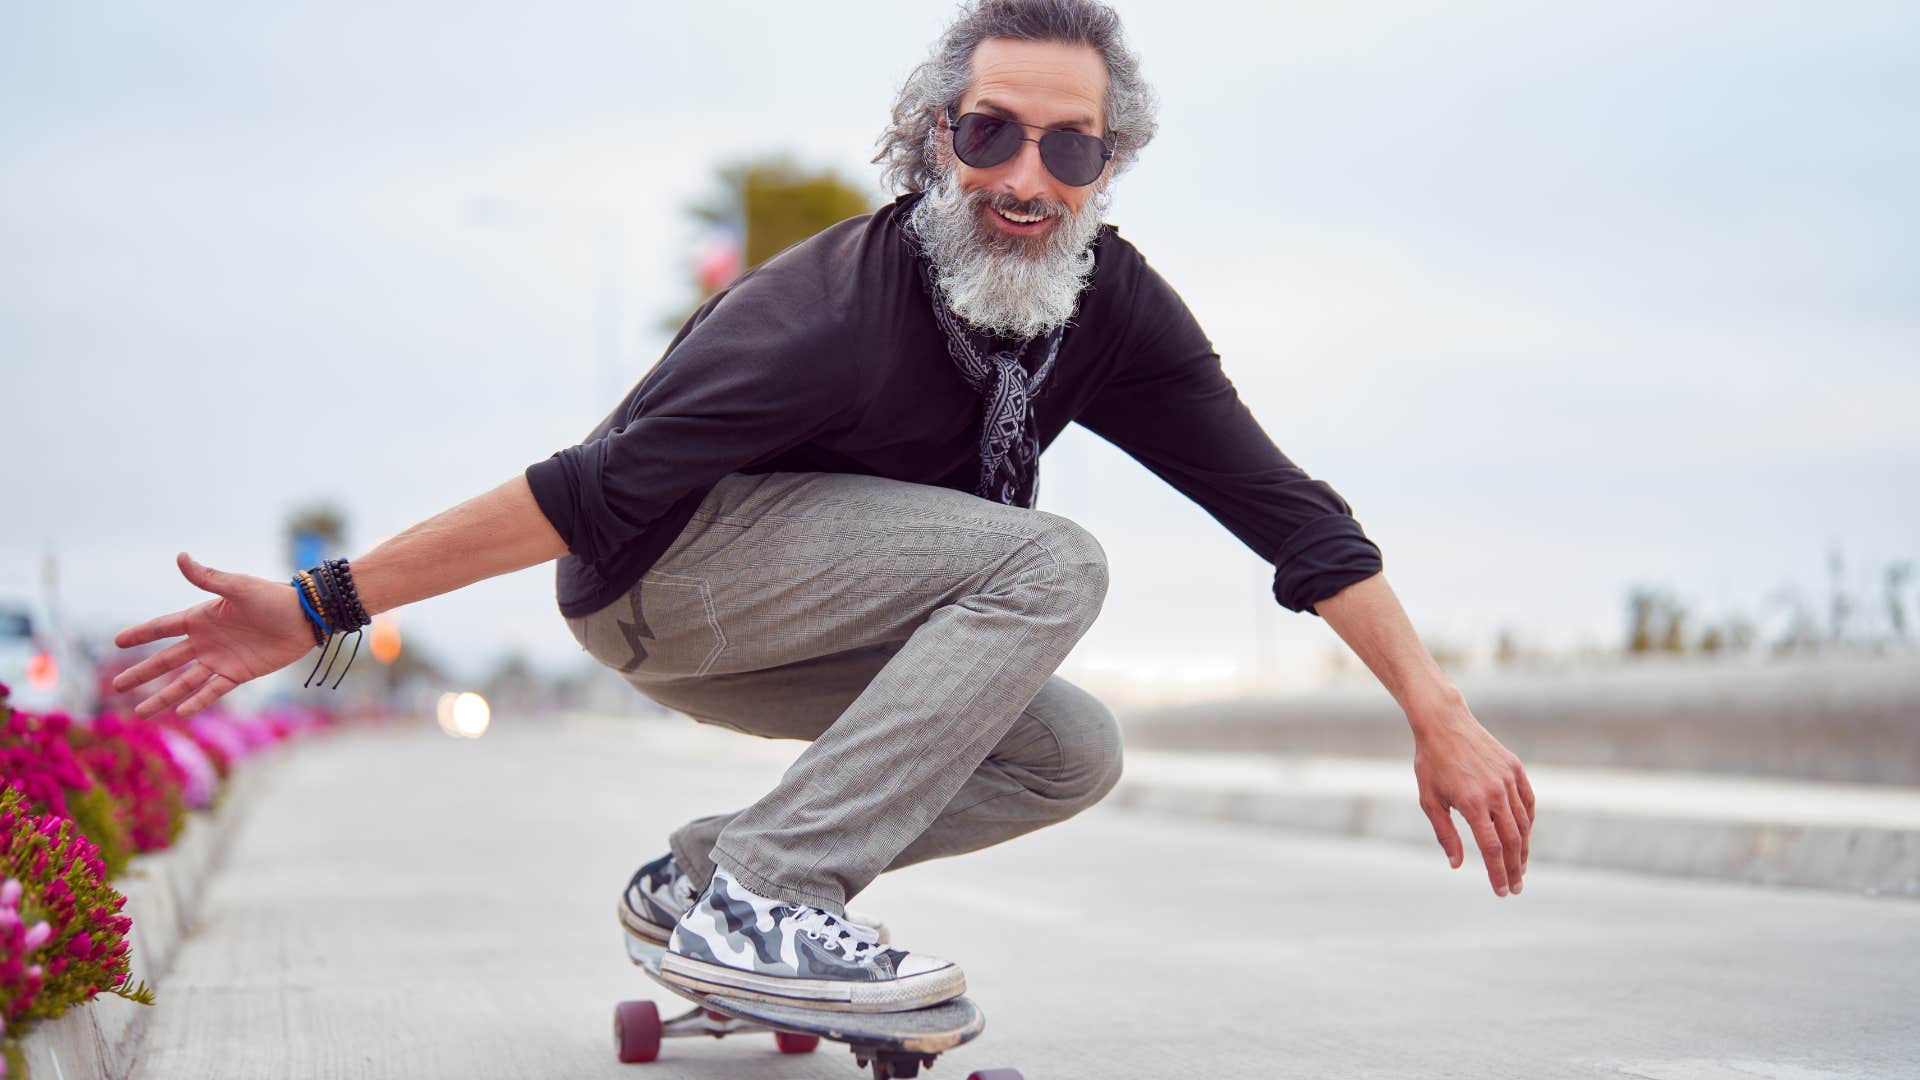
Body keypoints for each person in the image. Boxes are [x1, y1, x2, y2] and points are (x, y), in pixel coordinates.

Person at [109, 0, 1535, 1016]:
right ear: (933, 139)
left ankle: (710, 880)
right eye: (991, 136)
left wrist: (1437, 709)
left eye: (1071, 150)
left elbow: (1288, 512)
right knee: (1056, 565)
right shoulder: (827, 317)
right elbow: (579, 494)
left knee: (1069, 753)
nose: (1027, 180)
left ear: (1110, 167)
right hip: (656, 579)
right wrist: (317, 605)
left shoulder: (1118, 312)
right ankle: (773, 898)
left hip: (812, 615)